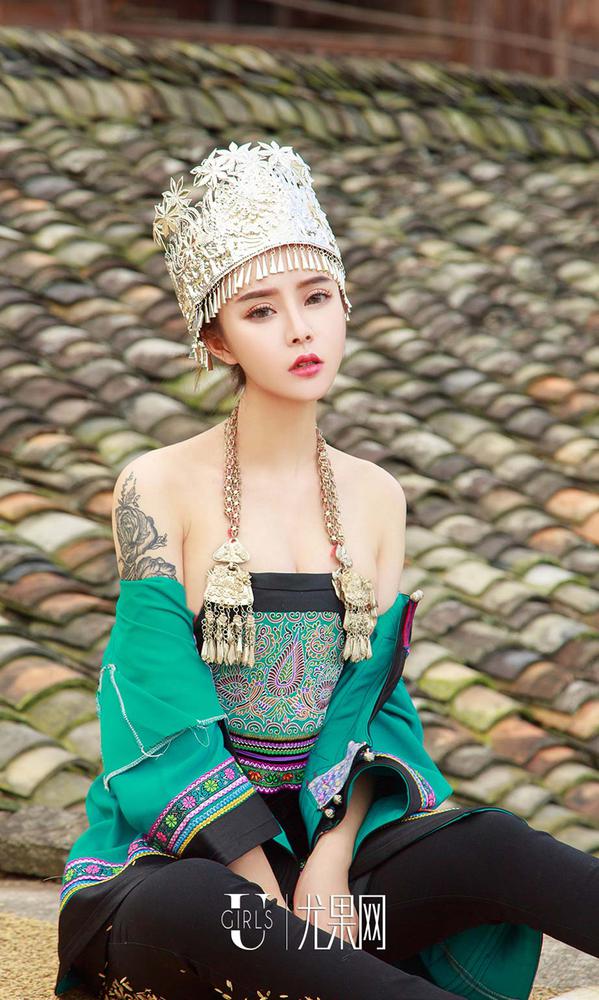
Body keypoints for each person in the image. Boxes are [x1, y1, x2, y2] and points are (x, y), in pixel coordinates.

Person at [55, 140, 599, 1000]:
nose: (300, 329)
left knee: (492, 844)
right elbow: (154, 707)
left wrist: (331, 863)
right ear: (217, 340)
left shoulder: (377, 497)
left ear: (344, 302)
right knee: (212, 910)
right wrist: (265, 894)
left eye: (315, 297)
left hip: (332, 891)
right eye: (260, 311)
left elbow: (371, 706)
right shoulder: (155, 487)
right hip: (179, 881)